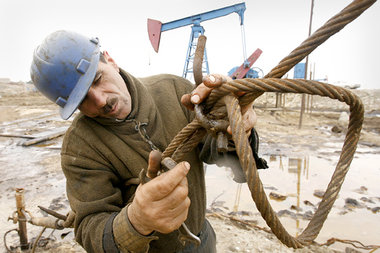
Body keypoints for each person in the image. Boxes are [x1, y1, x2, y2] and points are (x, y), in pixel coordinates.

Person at [30, 30, 267, 253]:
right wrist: (135, 222)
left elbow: (218, 153)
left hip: (201, 242)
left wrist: (238, 129)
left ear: (110, 60)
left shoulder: (175, 90)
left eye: (97, 79)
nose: (100, 100)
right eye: (82, 100)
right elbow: (89, 226)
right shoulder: (80, 146)